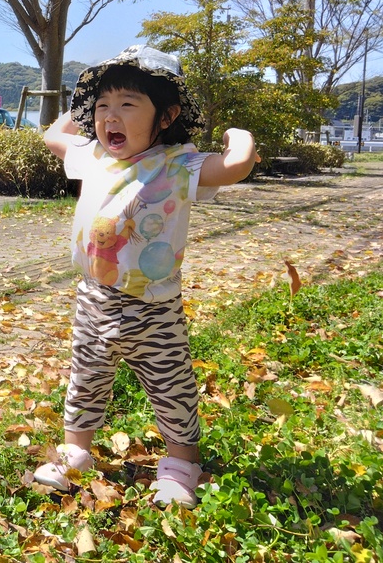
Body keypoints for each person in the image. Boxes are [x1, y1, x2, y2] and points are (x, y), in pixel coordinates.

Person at [39, 45, 257, 508]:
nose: (110, 117)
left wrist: (240, 137)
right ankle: (77, 450)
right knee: (86, 376)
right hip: (94, 298)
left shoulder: (179, 164)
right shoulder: (92, 155)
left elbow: (235, 167)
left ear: (166, 115)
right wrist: (82, 113)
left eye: (127, 105)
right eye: (103, 106)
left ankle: (182, 464)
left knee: (171, 383)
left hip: (153, 307)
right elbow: (52, 135)